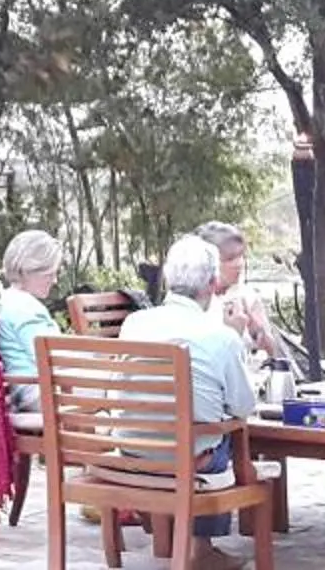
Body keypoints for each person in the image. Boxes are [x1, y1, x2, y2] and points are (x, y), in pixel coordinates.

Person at [121, 234, 258, 570]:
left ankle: (189, 544)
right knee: (216, 438)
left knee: (198, 434)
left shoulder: (134, 323)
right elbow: (243, 407)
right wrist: (237, 337)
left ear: (168, 278)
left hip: (132, 452)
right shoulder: (221, 336)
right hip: (190, 463)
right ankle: (201, 548)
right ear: (213, 284)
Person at [0, 229, 64, 410]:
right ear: (29, 270)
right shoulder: (25, 309)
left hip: (26, 392)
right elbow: (52, 359)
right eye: (50, 274)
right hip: (39, 396)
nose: (54, 280)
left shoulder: (7, 300)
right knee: (114, 389)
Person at [195, 221, 286, 361]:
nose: (239, 264)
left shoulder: (247, 297)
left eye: (241, 256)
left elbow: (273, 354)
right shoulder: (194, 300)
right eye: (230, 259)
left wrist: (256, 328)